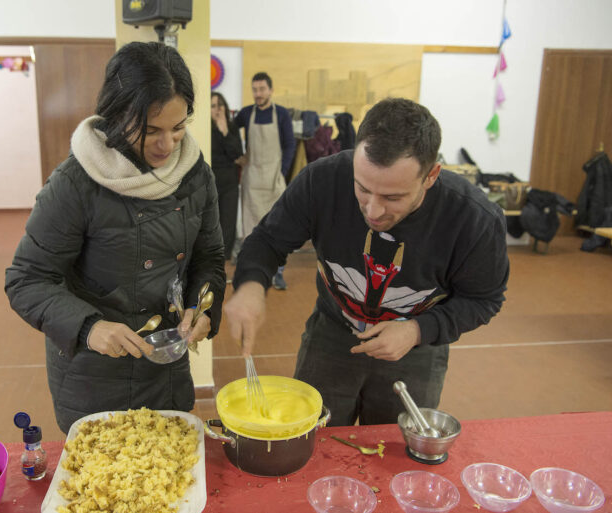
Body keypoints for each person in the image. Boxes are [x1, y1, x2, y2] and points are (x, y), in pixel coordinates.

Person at [224, 98, 509, 426]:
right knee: (314, 436)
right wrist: (249, 286)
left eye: (393, 197)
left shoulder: (473, 219)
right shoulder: (323, 180)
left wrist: (417, 330)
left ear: (431, 176)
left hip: (416, 348)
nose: (373, 211)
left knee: (395, 450)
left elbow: (484, 299)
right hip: (332, 336)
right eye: (362, 188)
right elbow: (267, 241)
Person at [5, 42, 226, 434]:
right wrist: (89, 328)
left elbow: (209, 256)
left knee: (168, 479)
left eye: (178, 129)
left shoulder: (194, 173)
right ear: (116, 115)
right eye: (150, 130)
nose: (166, 146)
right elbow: (26, 280)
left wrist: (201, 306)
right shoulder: (76, 184)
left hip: (166, 368)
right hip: (95, 376)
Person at [234, 72, 296, 290]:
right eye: (254, 89)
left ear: (270, 90)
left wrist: (283, 171)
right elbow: (229, 132)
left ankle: (278, 273)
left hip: (273, 179)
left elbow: (290, 144)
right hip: (252, 177)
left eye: (261, 89)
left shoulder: (281, 114)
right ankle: (250, 273)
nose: (258, 94)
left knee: (277, 228)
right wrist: (236, 155)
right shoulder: (245, 114)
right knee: (252, 229)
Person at [210, 92, 243, 262]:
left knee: (228, 223)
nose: (217, 109)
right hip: (211, 182)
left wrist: (224, 132)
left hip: (229, 182)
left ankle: (225, 260)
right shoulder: (205, 129)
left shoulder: (232, 128)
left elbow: (237, 153)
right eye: (213, 105)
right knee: (211, 223)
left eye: (220, 105)